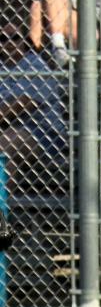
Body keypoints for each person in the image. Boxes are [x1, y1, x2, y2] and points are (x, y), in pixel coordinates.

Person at [0, 19, 67, 193]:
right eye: (3, 38)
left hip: (44, 133)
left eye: (14, 37)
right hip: (11, 132)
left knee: (4, 143)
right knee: (7, 161)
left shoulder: (34, 64)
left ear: (24, 40)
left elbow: (20, 104)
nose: (9, 43)